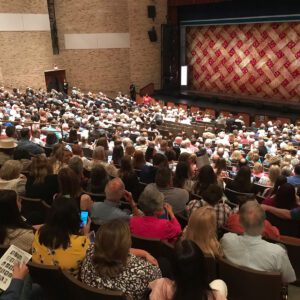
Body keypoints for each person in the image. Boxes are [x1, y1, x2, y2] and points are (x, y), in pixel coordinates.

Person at [80, 219, 161, 300]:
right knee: (164, 262)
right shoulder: (144, 270)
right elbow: (158, 280)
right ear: (127, 244)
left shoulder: (89, 253)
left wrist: (143, 253)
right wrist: (148, 257)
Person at [221, 201, 296, 283]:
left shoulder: (226, 239)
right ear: (265, 224)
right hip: (264, 295)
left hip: (233, 291)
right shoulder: (277, 253)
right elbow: (289, 279)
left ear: (241, 223)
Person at [149, 240, 227, 300]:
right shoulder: (216, 296)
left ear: (173, 268)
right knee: (220, 283)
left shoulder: (161, 286)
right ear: (202, 267)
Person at [32, 196, 90, 275]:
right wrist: (86, 234)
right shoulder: (83, 242)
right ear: (75, 218)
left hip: (41, 280)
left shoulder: (39, 233)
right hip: (68, 285)